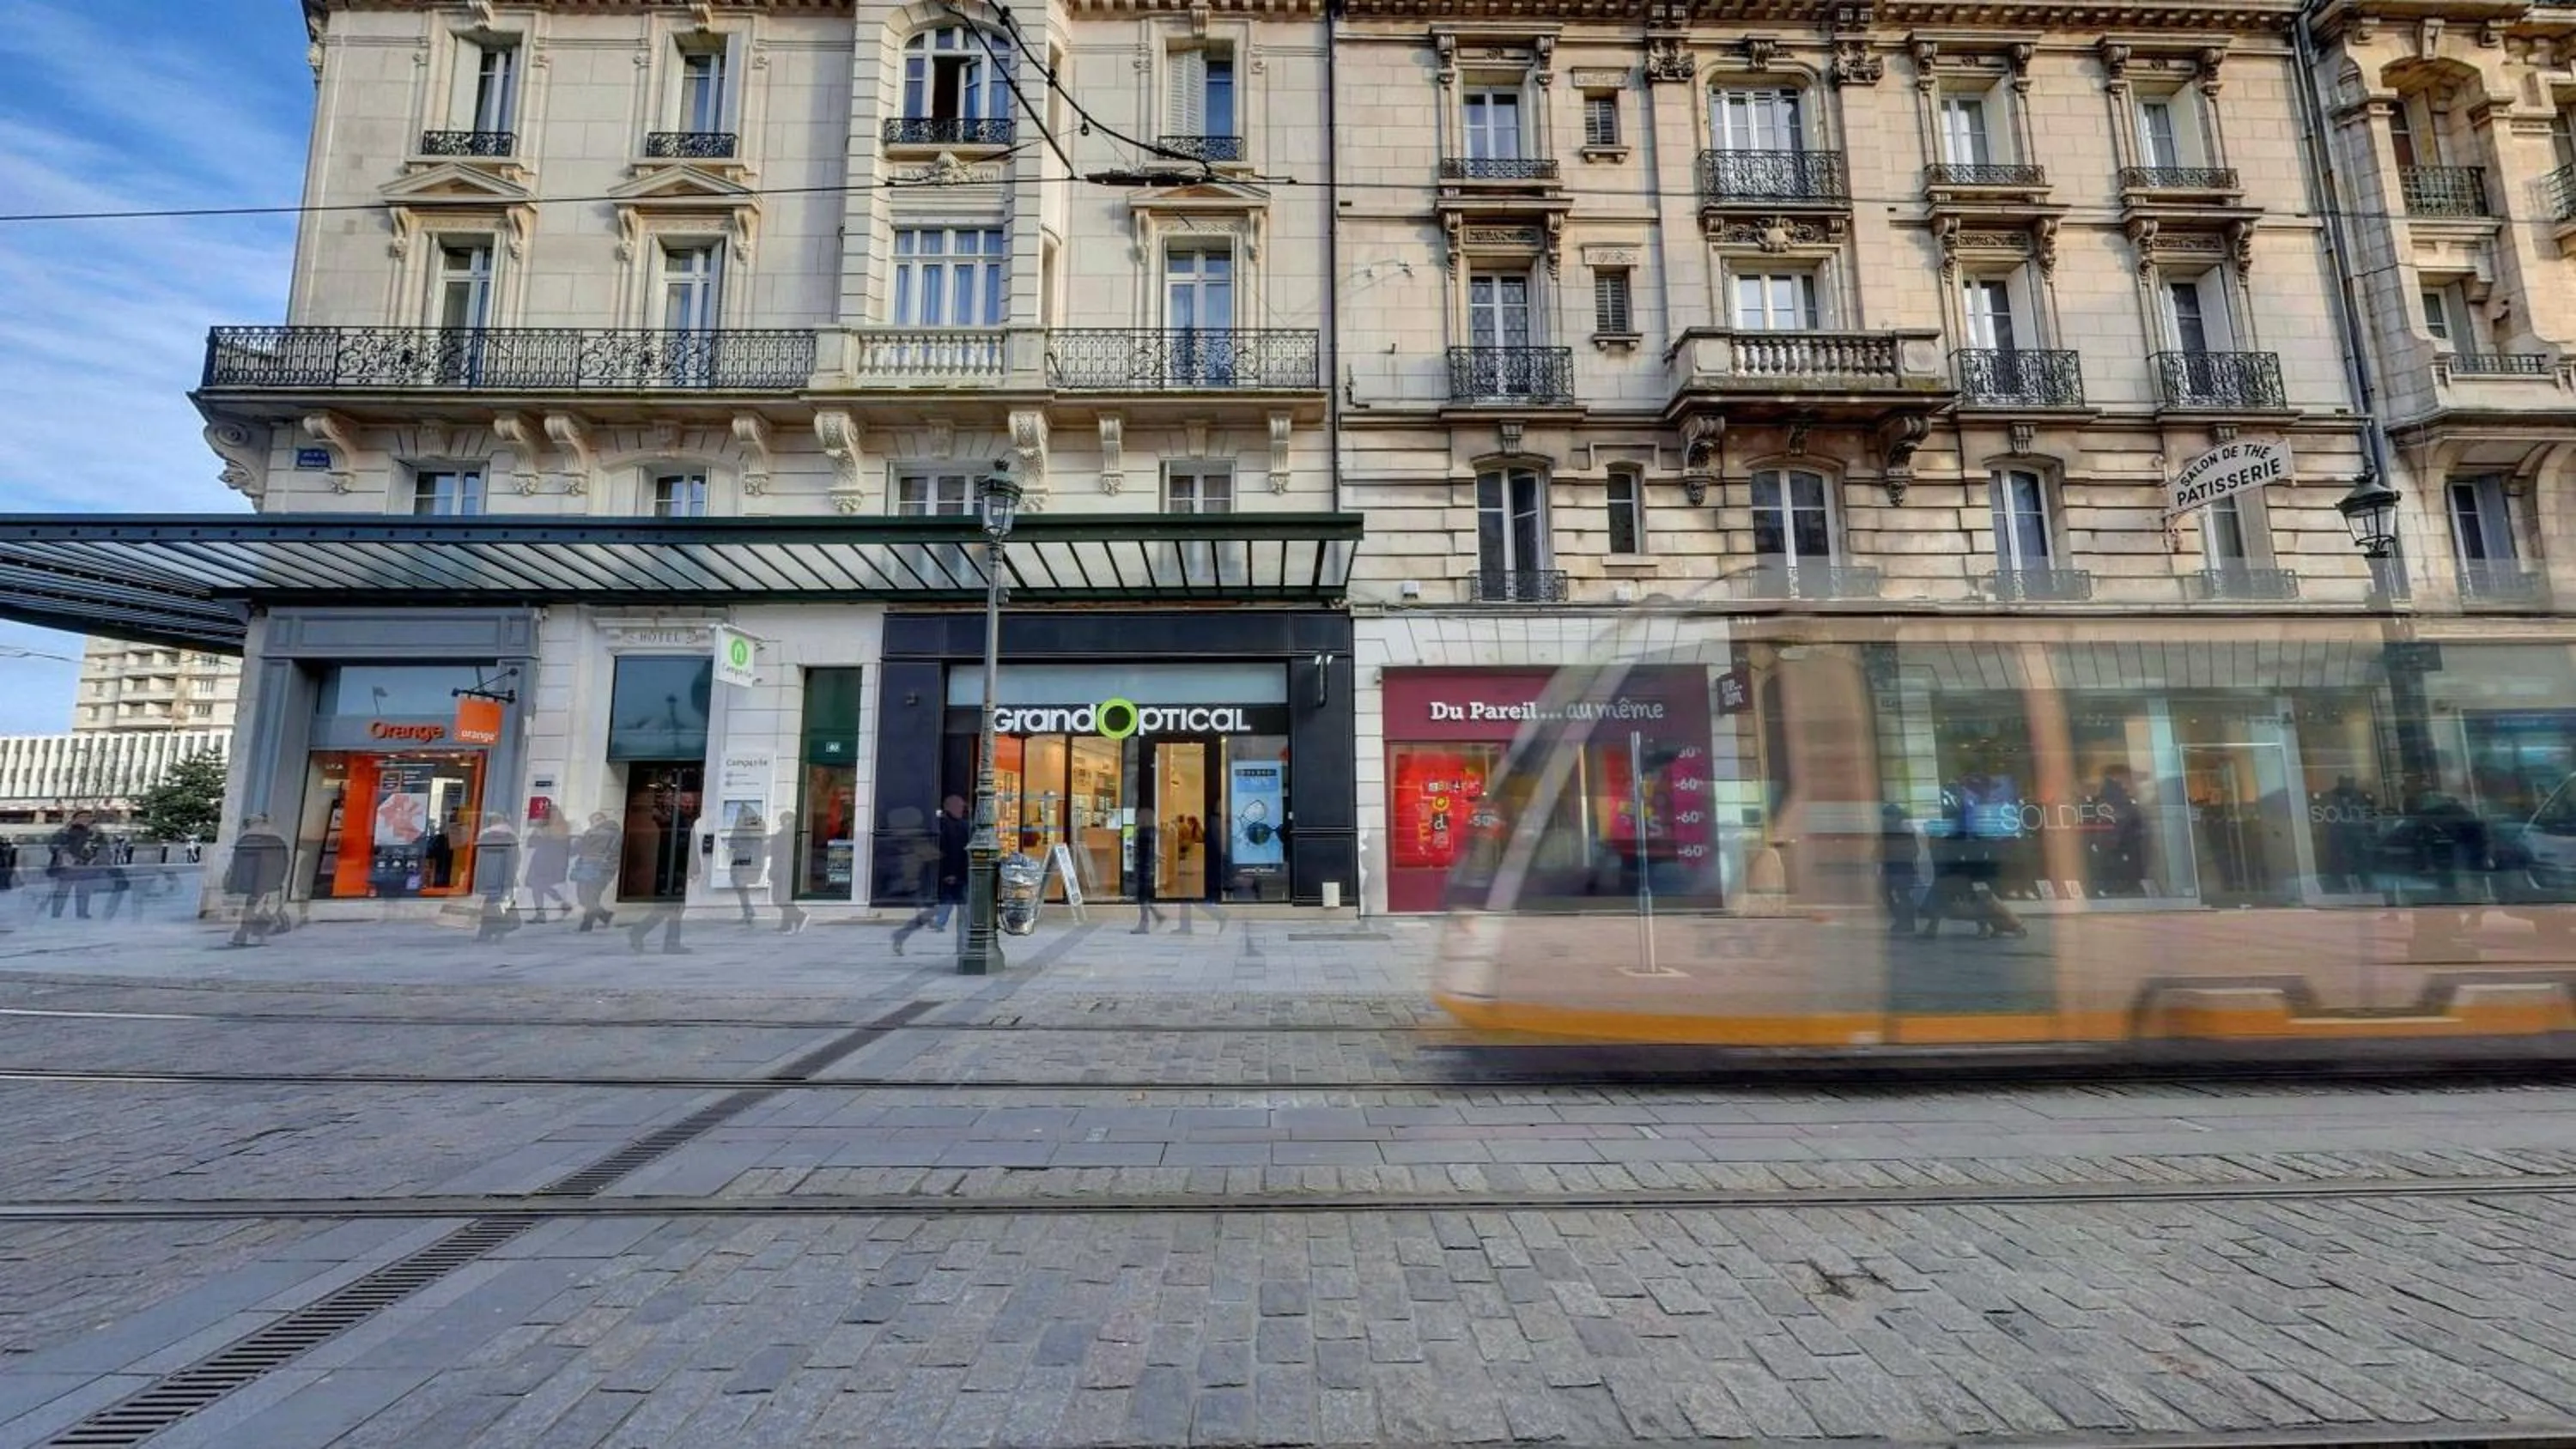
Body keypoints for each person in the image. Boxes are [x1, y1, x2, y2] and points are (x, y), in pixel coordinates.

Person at [892, 795, 970, 955]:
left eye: (962, 807)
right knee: (943, 910)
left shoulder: (960, 825)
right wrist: (949, 873)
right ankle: (904, 934)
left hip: (959, 875)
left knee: (961, 911)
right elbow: (947, 852)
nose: (961, 809)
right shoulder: (944, 826)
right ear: (948, 807)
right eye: (958, 806)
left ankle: (962, 946)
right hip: (951, 876)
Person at [222, 815, 291, 948]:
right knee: (264, 904)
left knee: (251, 903)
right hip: (270, 879)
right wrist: (279, 880)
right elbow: (284, 862)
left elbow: (236, 865)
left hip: (251, 880)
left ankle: (243, 933)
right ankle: (258, 936)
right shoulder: (277, 838)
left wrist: (230, 881)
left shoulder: (246, 838)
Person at [45, 812, 102, 921]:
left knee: (83, 891)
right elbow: (53, 846)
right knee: (62, 891)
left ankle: (82, 913)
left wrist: (93, 857)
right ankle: (56, 914)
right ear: (74, 819)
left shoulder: (93, 833)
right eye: (82, 817)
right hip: (67, 868)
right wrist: (64, 853)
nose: (85, 820)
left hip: (84, 867)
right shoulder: (64, 831)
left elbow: (99, 849)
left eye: (88, 817)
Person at [570, 811, 623, 931]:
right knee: (583, 898)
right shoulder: (589, 833)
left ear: (605, 819)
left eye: (599, 819)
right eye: (594, 820)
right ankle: (605, 916)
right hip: (586, 867)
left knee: (591, 896)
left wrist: (610, 865)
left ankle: (587, 924)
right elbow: (577, 850)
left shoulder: (615, 834)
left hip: (602, 868)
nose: (597, 822)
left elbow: (617, 852)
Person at [474, 814, 521, 942]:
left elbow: (478, 859)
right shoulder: (512, 836)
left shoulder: (484, 835)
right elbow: (516, 860)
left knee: (489, 903)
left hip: (486, 877)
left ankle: (487, 932)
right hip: (505, 876)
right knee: (499, 903)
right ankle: (493, 931)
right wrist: (513, 877)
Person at [522, 813, 573, 923]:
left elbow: (562, 845)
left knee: (538, 885)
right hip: (541, 860)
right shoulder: (543, 828)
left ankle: (543, 912)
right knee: (537, 886)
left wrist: (541, 835)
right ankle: (550, 909)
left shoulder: (561, 828)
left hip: (551, 862)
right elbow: (531, 843)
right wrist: (537, 833)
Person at [1879, 802, 1919, 934]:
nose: (1888, 819)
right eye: (1887, 816)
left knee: (1903, 895)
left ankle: (1907, 922)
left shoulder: (1905, 830)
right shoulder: (1885, 830)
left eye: (1891, 816)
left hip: (1903, 867)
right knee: (1888, 893)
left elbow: (1914, 850)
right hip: (1891, 867)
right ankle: (1902, 919)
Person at [769, 810, 809, 935]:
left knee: (780, 898)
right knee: (783, 897)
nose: (783, 823)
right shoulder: (789, 833)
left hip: (784, 870)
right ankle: (786, 924)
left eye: (785, 820)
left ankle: (799, 916)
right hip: (784, 868)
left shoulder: (787, 834)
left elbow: (781, 853)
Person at [726, 807, 767, 926]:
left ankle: (748, 910)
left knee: (738, 882)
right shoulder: (757, 824)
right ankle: (747, 910)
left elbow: (733, 842)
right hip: (748, 858)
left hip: (743, 857)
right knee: (739, 882)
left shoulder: (744, 824)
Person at [1131, 819, 1170, 934]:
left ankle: (1144, 924)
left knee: (1142, 896)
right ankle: (1157, 915)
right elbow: (1148, 851)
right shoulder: (1148, 834)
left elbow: (1143, 852)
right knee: (1143, 896)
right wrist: (1156, 857)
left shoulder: (1143, 834)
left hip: (1143, 868)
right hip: (1146, 868)